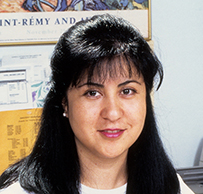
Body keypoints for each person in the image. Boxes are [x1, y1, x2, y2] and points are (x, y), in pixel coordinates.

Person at [0, 14, 194, 194]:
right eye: (92, 93)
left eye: (127, 91)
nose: (112, 113)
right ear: (64, 103)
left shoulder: (172, 188)